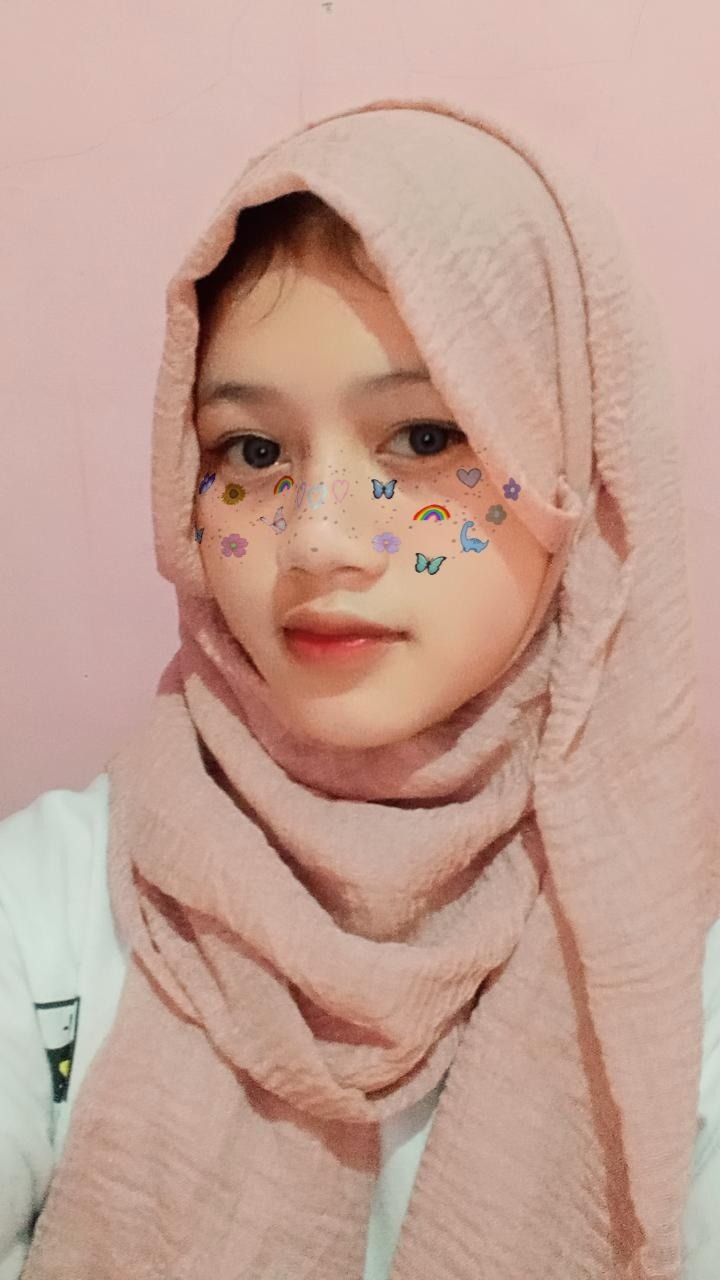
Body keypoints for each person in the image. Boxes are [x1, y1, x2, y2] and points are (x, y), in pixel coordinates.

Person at [1, 95, 719, 1280]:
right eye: (253, 451)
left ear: (574, 472)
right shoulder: (54, 908)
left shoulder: (671, 977)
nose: (320, 538)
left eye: (425, 437)